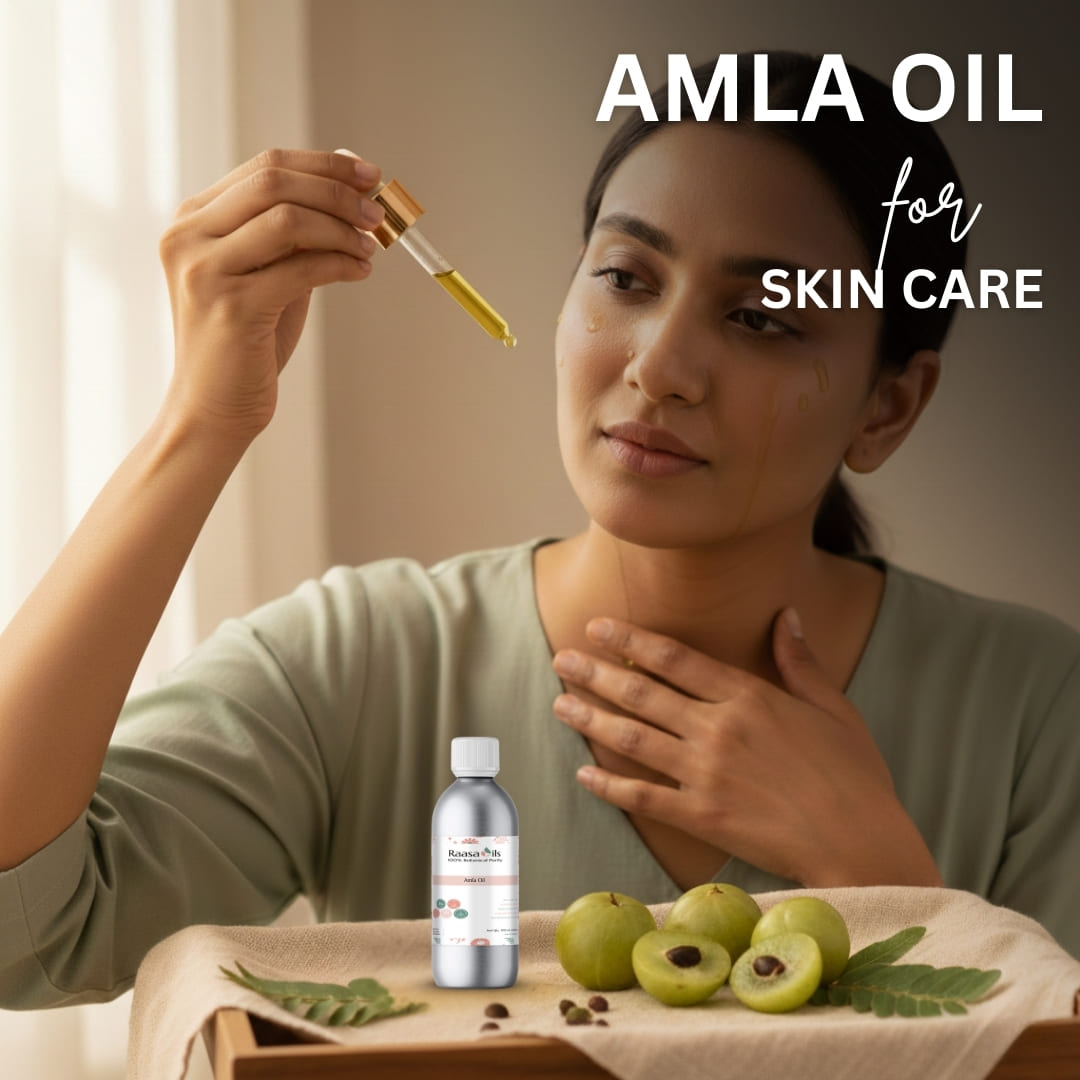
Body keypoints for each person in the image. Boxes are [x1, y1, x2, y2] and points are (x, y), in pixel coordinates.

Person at [0, 53, 1076, 1009]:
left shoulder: (1039, 711)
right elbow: (24, 932)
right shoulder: (364, 665)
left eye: (761, 316)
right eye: (626, 277)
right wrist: (200, 422)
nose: (657, 367)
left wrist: (891, 886)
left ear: (888, 406)